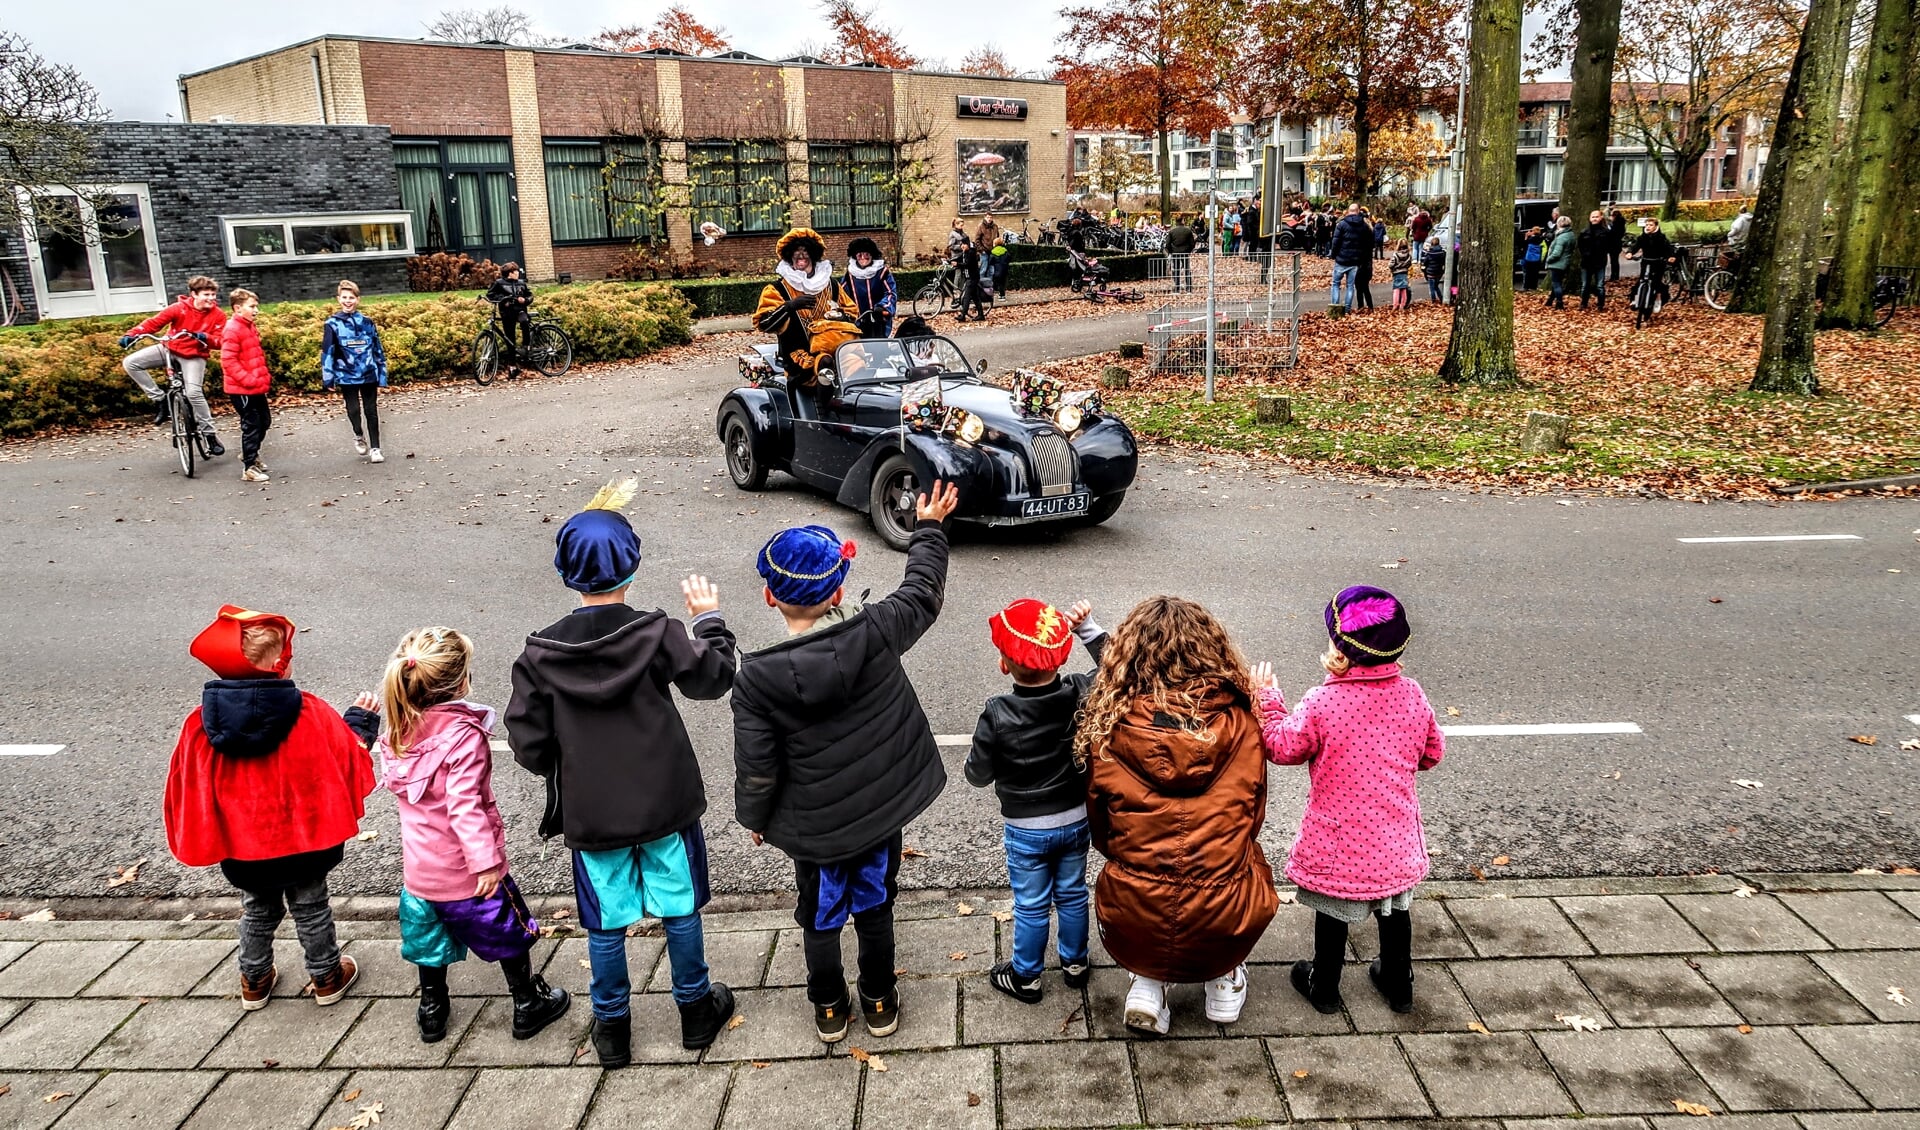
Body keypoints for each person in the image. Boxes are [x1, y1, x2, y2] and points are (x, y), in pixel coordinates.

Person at [506, 479, 740, 1066]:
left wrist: (566, 763)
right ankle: (694, 1010)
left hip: (594, 808)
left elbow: (528, 742)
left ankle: (611, 1028)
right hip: (663, 798)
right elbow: (712, 679)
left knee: (605, 921)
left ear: (566, 573)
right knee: (680, 904)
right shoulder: (655, 631)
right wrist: (709, 621)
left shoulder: (539, 654)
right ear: (632, 567)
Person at [732, 482, 961, 1044]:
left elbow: (758, 766)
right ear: (839, 591)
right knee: (877, 903)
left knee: (819, 912)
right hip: (880, 814)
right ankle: (880, 999)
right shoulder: (877, 630)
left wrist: (755, 818)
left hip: (815, 830)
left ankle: (830, 1006)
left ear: (770, 597)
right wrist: (928, 528)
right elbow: (923, 589)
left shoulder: (756, 680)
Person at [1077, 596, 1278, 1034]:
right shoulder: (1242, 722)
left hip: (1133, 911)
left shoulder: (1110, 725)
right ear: (1212, 652)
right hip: (1228, 915)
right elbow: (1253, 814)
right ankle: (1223, 984)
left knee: (1143, 885)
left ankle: (1148, 987)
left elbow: (1101, 826)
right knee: (1245, 861)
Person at [163, 604, 377, 1011]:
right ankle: (327, 976)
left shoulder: (199, 725)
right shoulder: (311, 713)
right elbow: (346, 760)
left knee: (257, 909)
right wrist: (361, 723)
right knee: (311, 906)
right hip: (307, 844)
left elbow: (187, 787)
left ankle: (255, 981)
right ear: (280, 664)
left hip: (243, 849)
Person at [372, 627, 570, 1045]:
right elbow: (465, 806)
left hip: (419, 874)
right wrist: (485, 863)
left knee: (428, 943)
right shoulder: (462, 738)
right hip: (466, 873)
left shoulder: (396, 730)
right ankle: (526, 1003)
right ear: (461, 682)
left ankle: (432, 1009)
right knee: (509, 931)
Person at [1256, 586, 1443, 1015]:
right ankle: (1398, 983)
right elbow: (1432, 753)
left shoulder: (1324, 702)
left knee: (1334, 909)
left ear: (1341, 651)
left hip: (1341, 840)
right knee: (1395, 910)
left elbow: (1283, 746)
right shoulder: (1412, 694)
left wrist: (1268, 702)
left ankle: (1324, 985)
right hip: (1395, 835)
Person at [967, 598, 1107, 1004]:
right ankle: (1075, 963)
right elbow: (1119, 671)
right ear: (1059, 660)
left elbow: (977, 775)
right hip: (1076, 818)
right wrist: (1089, 631)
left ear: (1004, 665)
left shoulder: (996, 714)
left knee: (1030, 904)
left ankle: (1026, 976)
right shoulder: (1081, 692)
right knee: (1072, 892)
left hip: (1026, 828)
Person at [120, 275, 227, 455]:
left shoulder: (218, 315)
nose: (211, 299)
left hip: (194, 355)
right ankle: (160, 399)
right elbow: (153, 324)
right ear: (194, 294)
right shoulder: (179, 309)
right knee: (131, 362)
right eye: (206, 294)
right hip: (169, 348)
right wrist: (132, 334)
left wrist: (205, 338)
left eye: (213, 294)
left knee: (194, 393)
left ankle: (210, 435)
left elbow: (221, 341)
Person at [754, 229, 860, 386]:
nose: (800, 254)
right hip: (799, 357)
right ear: (790, 255)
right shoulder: (777, 289)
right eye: (796, 250)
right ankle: (823, 411)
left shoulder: (832, 285)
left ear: (813, 254)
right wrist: (789, 306)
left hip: (836, 349)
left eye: (805, 250)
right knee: (824, 366)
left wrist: (841, 316)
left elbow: (852, 313)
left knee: (858, 367)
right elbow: (763, 322)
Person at [320, 280, 388, 464]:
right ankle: (358, 434)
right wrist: (328, 378)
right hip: (346, 375)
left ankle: (375, 448)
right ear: (338, 299)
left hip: (368, 373)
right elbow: (328, 352)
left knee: (371, 410)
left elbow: (377, 349)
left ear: (358, 300)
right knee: (354, 409)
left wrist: (382, 375)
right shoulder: (332, 324)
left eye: (351, 298)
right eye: (344, 298)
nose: (348, 301)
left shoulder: (367, 322)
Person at [219, 289, 273, 483]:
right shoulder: (233, 329)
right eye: (252, 306)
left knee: (265, 421)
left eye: (256, 306)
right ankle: (249, 467)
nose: (256, 310)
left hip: (255, 386)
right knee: (251, 425)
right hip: (241, 388)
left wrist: (261, 378)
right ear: (237, 308)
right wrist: (249, 380)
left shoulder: (248, 326)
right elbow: (229, 361)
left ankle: (249, 453)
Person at [841, 237, 897, 340]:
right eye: (859, 255)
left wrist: (882, 307)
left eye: (866, 254)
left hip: (878, 320)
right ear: (855, 256)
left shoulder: (882, 272)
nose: (863, 257)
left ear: (872, 255)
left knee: (878, 348)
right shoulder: (849, 275)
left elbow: (890, 293)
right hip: (857, 322)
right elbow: (842, 296)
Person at [484, 263, 535, 377]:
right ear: (510, 273)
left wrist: (525, 300)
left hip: (520, 310)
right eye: (516, 271)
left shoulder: (521, 283)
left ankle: (526, 346)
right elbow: (490, 295)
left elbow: (530, 295)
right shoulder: (499, 283)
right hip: (507, 313)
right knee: (509, 339)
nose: (518, 273)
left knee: (524, 321)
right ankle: (512, 367)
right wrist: (503, 300)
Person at [1627, 216, 1679, 326]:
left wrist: (1671, 256)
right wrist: (1630, 252)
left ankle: (1658, 299)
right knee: (1641, 280)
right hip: (1646, 261)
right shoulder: (1643, 237)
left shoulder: (1661, 237)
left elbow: (1668, 248)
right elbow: (1636, 246)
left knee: (1656, 282)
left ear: (1656, 226)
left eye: (1651, 225)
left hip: (1658, 262)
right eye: (1647, 225)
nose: (1648, 227)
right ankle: (1635, 299)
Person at [1328, 204, 1371, 309]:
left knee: (1336, 284)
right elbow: (1367, 244)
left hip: (1341, 259)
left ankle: (1335, 307)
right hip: (1355, 261)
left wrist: (1333, 255)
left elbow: (1335, 241)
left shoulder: (1341, 224)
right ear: (1358, 211)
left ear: (1348, 211)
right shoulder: (1364, 226)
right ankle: (1347, 309)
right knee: (1350, 286)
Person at [1576, 210, 1611, 311]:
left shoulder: (1606, 232)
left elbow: (1610, 245)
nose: (1595, 219)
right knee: (1585, 285)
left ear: (1601, 218)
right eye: (1593, 217)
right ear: (1590, 218)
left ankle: (1600, 305)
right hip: (1586, 262)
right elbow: (1580, 245)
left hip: (1600, 262)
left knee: (1600, 285)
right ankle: (1583, 303)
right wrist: (1585, 254)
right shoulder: (1584, 232)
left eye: (1597, 217)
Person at [1543, 216, 1577, 309]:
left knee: (1556, 284)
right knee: (1556, 283)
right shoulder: (1571, 235)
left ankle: (1559, 302)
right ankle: (1550, 301)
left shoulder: (1561, 237)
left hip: (1557, 264)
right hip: (1565, 262)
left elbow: (1557, 253)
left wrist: (1548, 259)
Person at [956, 237, 988, 322]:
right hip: (970, 278)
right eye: (961, 244)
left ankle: (963, 315)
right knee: (975, 297)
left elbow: (967, 264)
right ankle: (981, 315)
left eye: (964, 244)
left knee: (966, 297)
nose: (962, 246)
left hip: (972, 278)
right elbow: (958, 259)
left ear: (968, 245)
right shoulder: (965, 253)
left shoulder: (971, 253)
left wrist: (957, 264)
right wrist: (949, 261)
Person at [1165, 218, 1196, 293]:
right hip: (1185, 253)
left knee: (1176, 270)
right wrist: (1188, 250)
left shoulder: (1172, 231)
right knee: (1187, 269)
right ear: (1182, 221)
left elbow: (1167, 244)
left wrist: (1171, 251)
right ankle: (1188, 288)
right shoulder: (1188, 231)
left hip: (1175, 253)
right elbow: (1192, 243)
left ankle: (1177, 287)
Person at [1420, 236, 1447, 304]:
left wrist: (1424, 266)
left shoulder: (1429, 253)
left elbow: (1425, 262)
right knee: (1436, 286)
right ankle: (1441, 297)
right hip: (1439, 272)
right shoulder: (1442, 253)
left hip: (1430, 272)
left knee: (1432, 288)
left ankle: (1433, 300)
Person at [1388, 240, 1413, 310]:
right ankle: (1402, 305)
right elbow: (1409, 264)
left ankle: (1395, 305)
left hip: (1397, 273)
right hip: (1404, 273)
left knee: (1396, 289)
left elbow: (1391, 264)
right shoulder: (1408, 255)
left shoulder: (1396, 255)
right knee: (1404, 289)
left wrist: (1392, 267)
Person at [1520, 226, 1547, 291]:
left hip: (1529, 258)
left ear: (1533, 232)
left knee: (1528, 273)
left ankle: (1526, 286)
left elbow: (1524, 245)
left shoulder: (1530, 240)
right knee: (1535, 274)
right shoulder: (1541, 239)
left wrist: (1526, 237)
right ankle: (1534, 287)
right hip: (1537, 259)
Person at [1607, 209, 1627, 282]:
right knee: (1615, 260)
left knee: (1613, 261)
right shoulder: (1621, 224)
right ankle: (1616, 275)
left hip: (1613, 245)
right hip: (1617, 244)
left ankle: (1614, 276)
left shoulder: (1615, 225)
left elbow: (1612, 234)